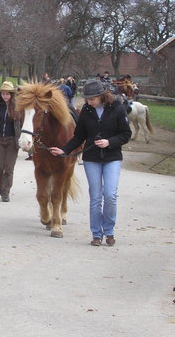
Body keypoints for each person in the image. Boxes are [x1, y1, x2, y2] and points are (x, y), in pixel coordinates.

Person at [48, 79, 131, 247]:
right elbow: (79, 136)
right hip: (92, 158)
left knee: (110, 195)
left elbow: (125, 134)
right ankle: (96, 234)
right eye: (87, 99)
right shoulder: (86, 110)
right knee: (95, 197)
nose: (88, 102)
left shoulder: (117, 108)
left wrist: (110, 142)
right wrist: (64, 150)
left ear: (101, 96)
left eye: (91, 99)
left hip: (112, 157)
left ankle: (109, 230)